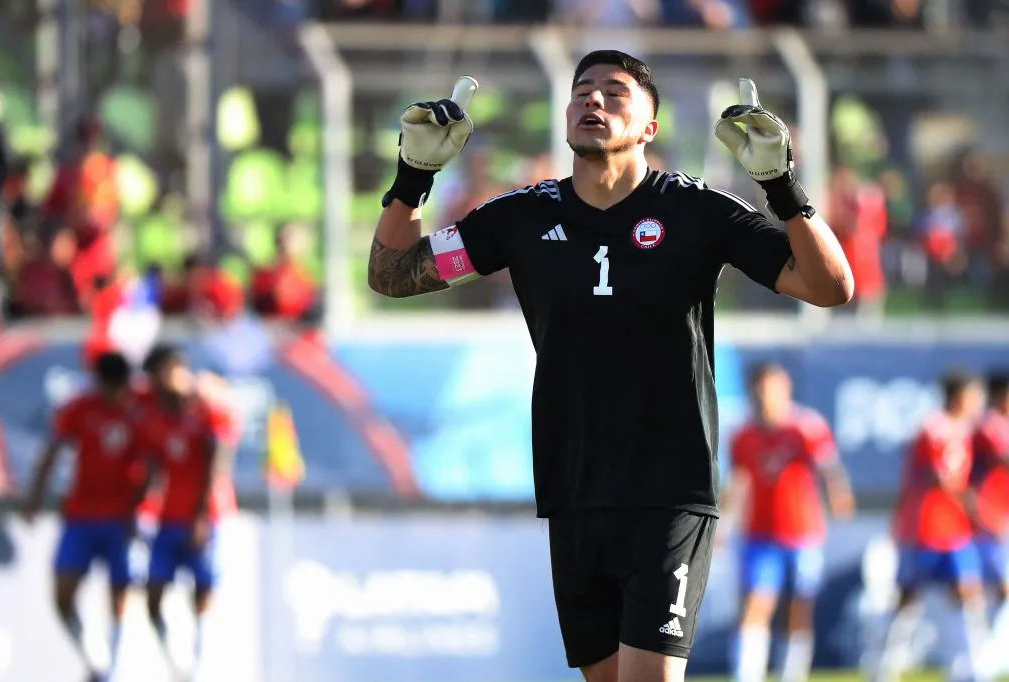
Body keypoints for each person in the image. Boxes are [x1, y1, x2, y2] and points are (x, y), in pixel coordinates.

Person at [366, 49, 853, 682]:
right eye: (581, 91)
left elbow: (831, 286)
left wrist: (782, 189)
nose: (592, 100)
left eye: (615, 93)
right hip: (573, 490)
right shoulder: (520, 217)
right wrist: (412, 177)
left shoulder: (699, 211)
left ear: (651, 127)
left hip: (671, 491)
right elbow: (392, 275)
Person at [720, 363, 854, 682]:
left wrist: (838, 494)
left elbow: (828, 466)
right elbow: (738, 483)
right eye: (761, 389)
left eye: (774, 388)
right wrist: (723, 525)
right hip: (760, 535)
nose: (767, 397)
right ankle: (746, 675)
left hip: (802, 534)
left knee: (798, 610)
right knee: (756, 605)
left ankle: (791, 674)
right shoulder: (742, 434)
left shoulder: (806, 426)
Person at [21, 351, 143, 682]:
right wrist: (35, 496)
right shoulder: (80, 408)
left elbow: (153, 466)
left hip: (120, 520)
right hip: (81, 517)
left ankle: (111, 670)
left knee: (119, 596)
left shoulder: (138, 411)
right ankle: (96, 660)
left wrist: (140, 507)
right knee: (62, 595)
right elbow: (52, 451)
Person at [872, 370, 988, 682]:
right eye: (974, 394)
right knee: (908, 600)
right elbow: (942, 478)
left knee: (965, 594)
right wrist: (977, 507)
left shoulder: (965, 430)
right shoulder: (935, 428)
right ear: (957, 396)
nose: (979, 402)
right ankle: (883, 667)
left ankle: (968, 669)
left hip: (954, 529)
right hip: (925, 528)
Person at [135, 344, 220, 678]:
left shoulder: (204, 409)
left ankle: (200, 663)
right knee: (153, 595)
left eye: (180, 368)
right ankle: (175, 663)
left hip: (201, 517)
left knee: (203, 588)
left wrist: (202, 515)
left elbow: (217, 460)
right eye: (170, 369)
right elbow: (151, 468)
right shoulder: (151, 412)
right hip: (166, 519)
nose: (178, 376)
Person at [972, 373, 1009, 677]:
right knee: (999, 589)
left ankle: (992, 658)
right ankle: (988, 660)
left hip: (999, 518)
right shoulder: (991, 425)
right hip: (991, 520)